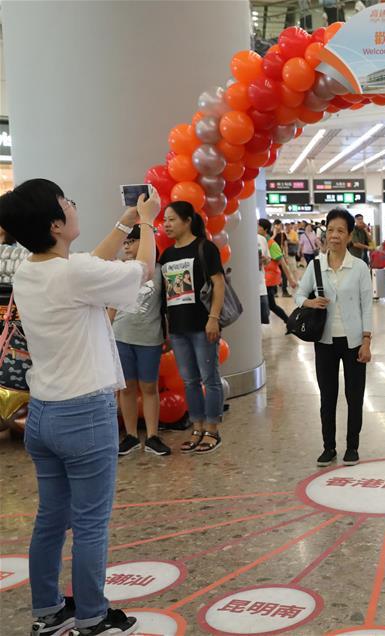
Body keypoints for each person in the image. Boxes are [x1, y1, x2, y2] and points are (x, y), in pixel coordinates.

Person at [0, 179, 159, 635]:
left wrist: (122, 223)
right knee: (91, 523)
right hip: (84, 416)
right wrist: (146, 223)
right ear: (55, 223)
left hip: (44, 414)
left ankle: (48, 610)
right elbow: (141, 271)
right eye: (67, 201)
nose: (74, 204)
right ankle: (92, 616)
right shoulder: (72, 276)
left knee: (51, 518)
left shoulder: (32, 270)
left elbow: (88, 262)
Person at [296, 208, 373, 467]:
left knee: (355, 395)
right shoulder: (316, 265)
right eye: (330, 230)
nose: (334, 236)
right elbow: (298, 295)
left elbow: (367, 306)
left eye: (340, 230)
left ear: (350, 235)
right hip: (325, 341)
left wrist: (366, 341)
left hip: (353, 343)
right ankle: (328, 447)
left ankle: (352, 446)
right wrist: (309, 301)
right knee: (327, 396)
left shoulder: (359, 267)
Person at [160, 201, 227, 455]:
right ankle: (197, 427)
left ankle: (213, 429)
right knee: (189, 381)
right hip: (178, 328)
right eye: (165, 220)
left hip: (202, 324)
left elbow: (218, 284)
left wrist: (214, 317)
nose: (166, 224)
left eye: (172, 219)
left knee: (210, 379)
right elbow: (165, 295)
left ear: (188, 220)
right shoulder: (166, 255)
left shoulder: (204, 247)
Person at [111, 227, 170, 457]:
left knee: (149, 387)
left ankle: (153, 436)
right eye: (125, 242)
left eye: (132, 241)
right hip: (121, 336)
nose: (126, 246)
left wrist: (170, 334)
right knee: (126, 388)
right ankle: (132, 436)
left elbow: (167, 305)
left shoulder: (159, 271)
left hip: (149, 338)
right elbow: (112, 307)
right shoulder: (120, 271)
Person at [258, 219, 296, 330]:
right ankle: (289, 322)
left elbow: (283, 264)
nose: (256, 228)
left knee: (271, 305)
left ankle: (289, 322)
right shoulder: (261, 241)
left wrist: (291, 279)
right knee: (271, 305)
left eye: (259, 226)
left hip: (269, 279)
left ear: (265, 230)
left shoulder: (271, 244)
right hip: (264, 279)